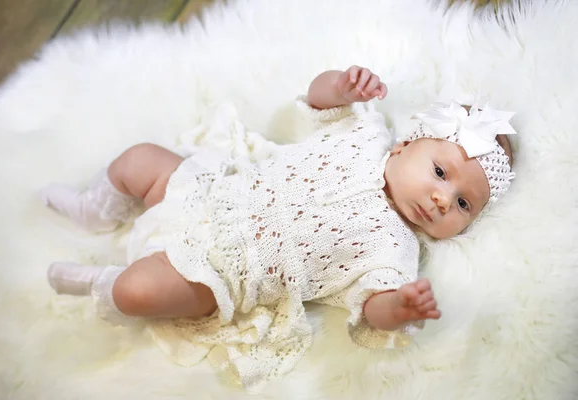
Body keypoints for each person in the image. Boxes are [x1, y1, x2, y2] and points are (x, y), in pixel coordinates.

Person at [41, 65, 516, 391]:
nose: (441, 198)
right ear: (402, 147)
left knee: (137, 292)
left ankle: (101, 285)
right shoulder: (365, 132)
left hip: (224, 273)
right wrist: (342, 85)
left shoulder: (394, 251)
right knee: (140, 158)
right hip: (211, 190)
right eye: (439, 172)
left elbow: (371, 310)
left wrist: (400, 307)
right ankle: (94, 209)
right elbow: (318, 101)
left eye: (462, 203)